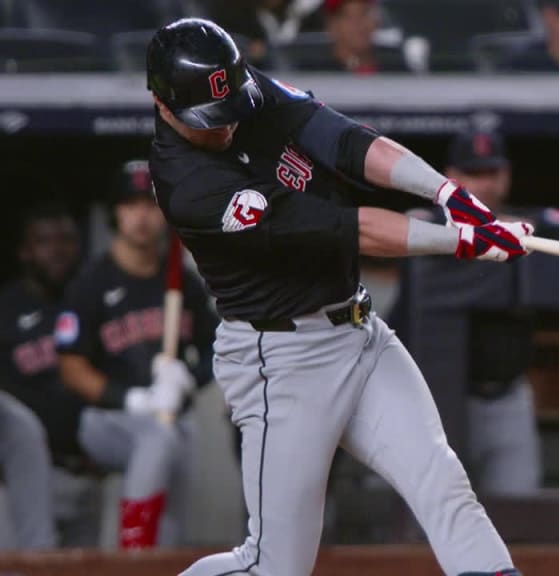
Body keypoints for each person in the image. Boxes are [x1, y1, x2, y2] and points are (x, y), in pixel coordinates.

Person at [146, 19, 530, 576]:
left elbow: (345, 141)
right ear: (162, 103)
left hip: (360, 332)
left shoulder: (239, 91)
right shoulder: (191, 187)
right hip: (283, 359)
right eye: (211, 118)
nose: (226, 125)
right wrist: (460, 240)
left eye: (230, 108)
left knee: (442, 482)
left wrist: (446, 192)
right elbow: (348, 229)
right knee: (274, 567)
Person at [393, 130, 559, 495]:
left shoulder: (521, 225)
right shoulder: (425, 224)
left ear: (506, 176)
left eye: (491, 173)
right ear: (450, 177)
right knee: (441, 505)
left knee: (518, 505)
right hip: (440, 400)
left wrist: (516, 231)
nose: (484, 184)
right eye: (472, 174)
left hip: (509, 396)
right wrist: (467, 234)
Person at [55, 160, 218, 548]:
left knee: (172, 524)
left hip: (172, 418)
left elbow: (219, 347)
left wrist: (187, 381)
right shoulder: (91, 282)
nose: (141, 216)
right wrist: (132, 399)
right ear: (116, 212)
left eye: (150, 205)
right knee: (157, 438)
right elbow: (71, 367)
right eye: (131, 205)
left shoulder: (182, 281)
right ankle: (133, 551)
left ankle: (156, 557)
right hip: (106, 419)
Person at [0, 204, 82, 550]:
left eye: (66, 240)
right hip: (18, 479)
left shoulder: (88, 300)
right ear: (25, 251)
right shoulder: (6, 309)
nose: (57, 251)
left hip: (85, 472)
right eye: (45, 241)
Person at [323, 0, 409, 74]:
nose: (358, 24)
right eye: (348, 17)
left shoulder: (398, 70)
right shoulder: (319, 73)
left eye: (364, 13)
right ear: (332, 25)